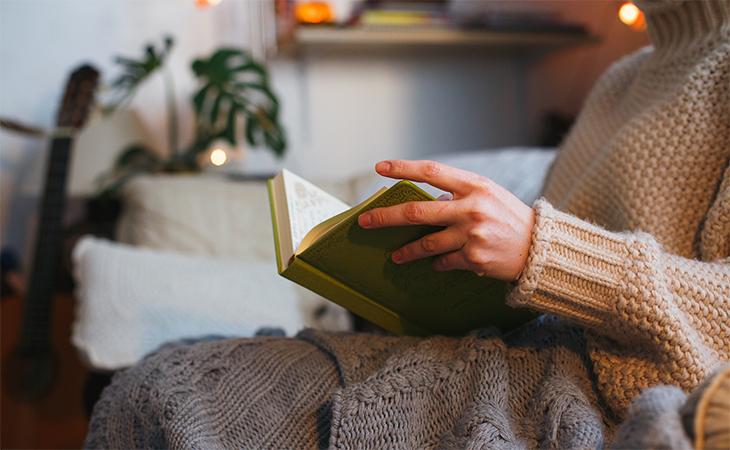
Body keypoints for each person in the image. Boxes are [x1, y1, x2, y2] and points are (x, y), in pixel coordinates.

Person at [85, 1, 730, 449]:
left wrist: (541, 248)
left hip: (599, 389)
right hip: (514, 351)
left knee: (169, 396)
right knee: (157, 380)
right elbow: (528, 294)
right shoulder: (620, 79)